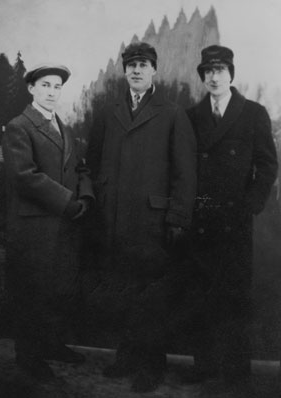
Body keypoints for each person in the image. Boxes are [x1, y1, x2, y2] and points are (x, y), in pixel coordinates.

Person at [86, 41, 197, 393]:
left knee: (152, 296)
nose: (136, 70)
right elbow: (91, 160)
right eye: (130, 64)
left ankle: (151, 364)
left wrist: (178, 217)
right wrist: (97, 200)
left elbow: (186, 172)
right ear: (124, 70)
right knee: (123, 291)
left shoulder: (172, 112)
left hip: (153, 221)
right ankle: (127, 357)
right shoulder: (107, 110)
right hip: (115, 217)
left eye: (143, 64)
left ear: (154, 71)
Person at [182, 45, 278, 388]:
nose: (213, 76)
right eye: (207, 71)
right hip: (201, 219)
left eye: (220, 70)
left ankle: (237, 371)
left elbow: (267, 164)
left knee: (235, 296)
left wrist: (251, 203)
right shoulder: (192, 116)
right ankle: (204, 366)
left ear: (231, 74)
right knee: (200, 294)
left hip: (235, 220)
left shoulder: (253, 113)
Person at [2, 63, 94, 381]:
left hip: (62, 223)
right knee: (32, 290)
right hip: (33, 227)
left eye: (57, 87)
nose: (52, 92)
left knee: (58, 289)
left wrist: (85, 197)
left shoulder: (62, 126)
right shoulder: (19, 126)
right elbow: (24, 177)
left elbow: (79, 168)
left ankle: (51, 344)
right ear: (31, 89)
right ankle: (29, 356)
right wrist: (68, 202)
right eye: (45, 85)